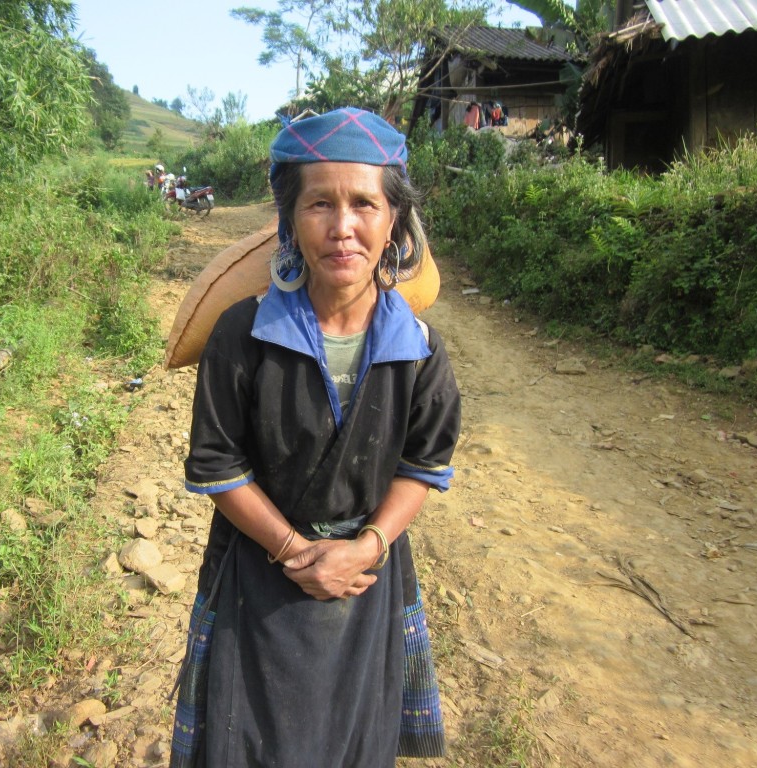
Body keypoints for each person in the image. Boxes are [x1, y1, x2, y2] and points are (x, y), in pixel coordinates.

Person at [169, 107, 461, 767]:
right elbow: (218, 463)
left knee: (355, 737)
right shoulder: (242, 337)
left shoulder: (418, 351)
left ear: (394, 223)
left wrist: (366, 546)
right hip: (258, 573)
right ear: (288, 221)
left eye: (364, 203)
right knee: (248, 742)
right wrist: (299, 553)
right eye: (318, 204)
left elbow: (422, 464)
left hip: (368, 578)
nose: (343, 227)